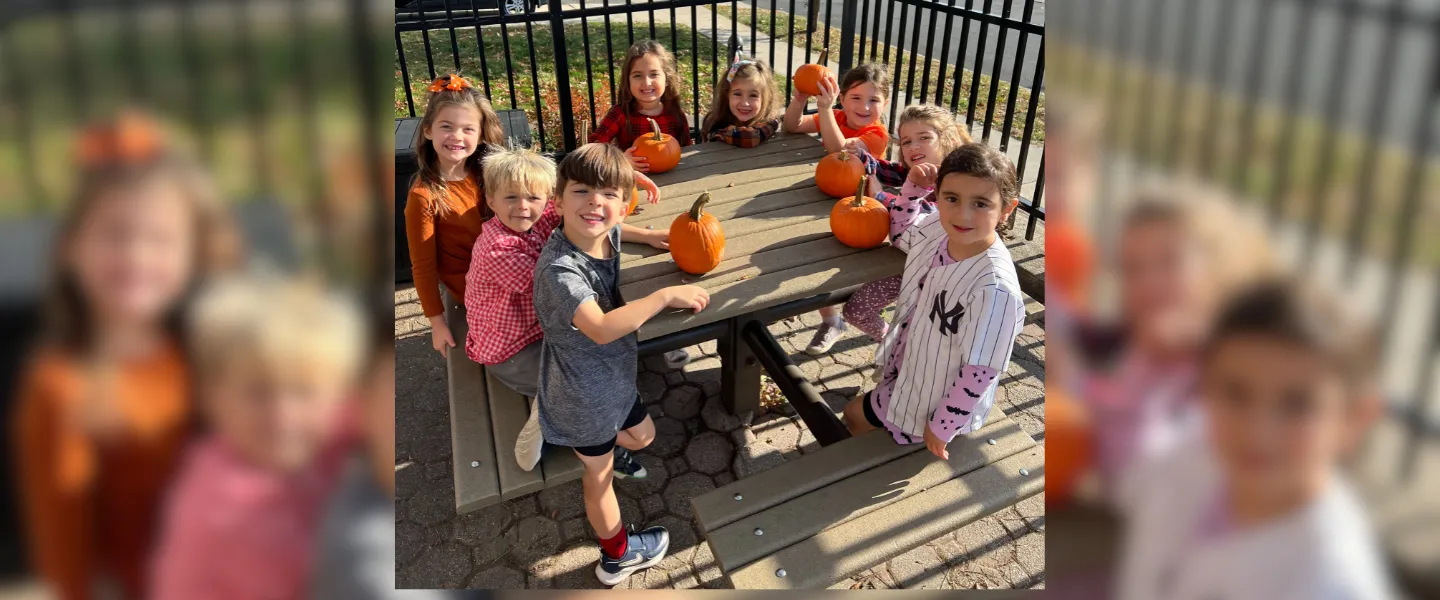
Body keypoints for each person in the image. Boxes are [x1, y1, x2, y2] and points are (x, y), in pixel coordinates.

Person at [12, 111, 239, 600]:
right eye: (114, 234)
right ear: (72, 248)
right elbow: (64, 551)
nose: (137, 256)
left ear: (191, 254)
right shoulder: (59, 390)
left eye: (159, 239)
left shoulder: (203, 352)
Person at [1116, 280, 1394, 600]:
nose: (1258, 431)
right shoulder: (1194, 457)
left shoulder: (1330, 582)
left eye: (1297, 404)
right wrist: (1149, 362)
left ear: (1355, 419)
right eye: (1236, 392)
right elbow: (1129, 480)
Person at [533, 143, 709, 585]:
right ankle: (617, 556)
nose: (596, 202)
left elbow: (613, 227)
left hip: (612, 380)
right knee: (599, 478)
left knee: (643, 436)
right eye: (582, 192)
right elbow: (602, 329)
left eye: (610, 194)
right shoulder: (560, 273)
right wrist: (663, 296)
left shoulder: (599, 229)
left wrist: (646, 236)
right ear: (558, 201)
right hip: (582, 397)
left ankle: (585, 442)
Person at [149, 275, 364, 600]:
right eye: (258, 392)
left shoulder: (317, 437)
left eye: (304, 391)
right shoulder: (226, 512)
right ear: (211, 397)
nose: (282, 415)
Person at [463, 147, 666, 471]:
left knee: (603, 362)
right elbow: (567, 295)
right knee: (583, 388)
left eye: (532, 197)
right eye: (511, 198)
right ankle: (551, 419)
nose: (523, 207)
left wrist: (647, 236)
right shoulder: (499, 250)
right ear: (491, 200)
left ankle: (592, 430)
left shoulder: (542, 215)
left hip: (545, 328)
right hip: (514, 349)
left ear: (548, 199)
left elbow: (591, 221)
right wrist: (660, 299)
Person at [841, 143, 1026, 460]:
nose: (962, 214)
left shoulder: (993, 288)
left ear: (1007, 209)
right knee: (862, 419)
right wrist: (912, 190)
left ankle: (850, 468)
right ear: (937, 195)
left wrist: (943, 426)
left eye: (981, 203)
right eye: (951, 198)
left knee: (854, 415)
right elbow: (900, 235)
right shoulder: (937, 230)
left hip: (932, 396)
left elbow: (982, 369)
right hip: (912, 366)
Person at [838, 103, 972, 348]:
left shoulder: (957, 182)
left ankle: (904, 354)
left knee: (920, 328)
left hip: (930, 273)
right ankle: (895, 343)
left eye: (924, 138)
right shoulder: (916, 170)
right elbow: (885, 169)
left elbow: (918, 221)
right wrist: (863, 157)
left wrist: (880, 198)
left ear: (948, 140)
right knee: (856, 310)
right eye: (906, 141)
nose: (914, 146)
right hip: (904, 260)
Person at [784, 62, 893, 354]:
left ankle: (846, 320)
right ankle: (831, 319)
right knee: (806, 256)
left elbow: (840, 150)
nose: (864, 106)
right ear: (842, 98)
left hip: (856, 211)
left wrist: (823, 111)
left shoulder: (876, 133)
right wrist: (799, 100)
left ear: (885, 103)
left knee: (825, 265)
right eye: (856, 98)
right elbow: (792, 125)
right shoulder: (836, 116)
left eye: (873, 100)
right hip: (822, 199)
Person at [404, 73, 506, 358]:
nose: (457, 137)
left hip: (507, 265)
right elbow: (423, 266)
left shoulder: (486, 171)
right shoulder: (424, 196)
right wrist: (437, 322)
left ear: (482, 133)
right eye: (446, 127)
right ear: (428, 130)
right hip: (474, 286)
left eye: (467, 129)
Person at [589, 40, 694, 169]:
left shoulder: (674, 113)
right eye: (638, 75)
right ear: (628, 81)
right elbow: (595, 147)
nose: (647, 82)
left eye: (654, 74)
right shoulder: (620, 114)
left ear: (667, 78)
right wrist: (621, 159)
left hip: (673, 177)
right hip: (631, 179)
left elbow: (687, 148)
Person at [701, 52, 784, 148]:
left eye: (753, 95)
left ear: (766, 98)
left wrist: (718, 134)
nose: (745, 103)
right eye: (737, 94)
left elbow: (751, 137)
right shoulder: (714, 120)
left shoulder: (769, 121)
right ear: (726, 95)